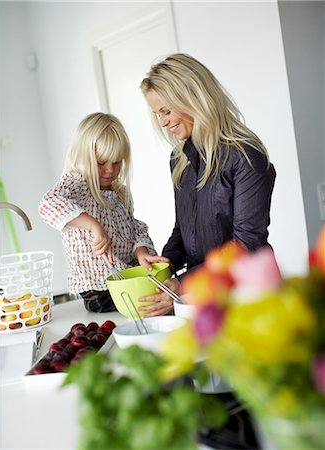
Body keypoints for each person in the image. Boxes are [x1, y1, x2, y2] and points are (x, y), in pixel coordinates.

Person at [138, 53, 276, 317]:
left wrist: (182, 284)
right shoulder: (179, 160)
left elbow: (246, 245)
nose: (163, 122)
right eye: (158, 114)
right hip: (197, 297)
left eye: (167, 111)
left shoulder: (246, 156)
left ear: (194, 98)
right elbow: (183, 228)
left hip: (245, 295)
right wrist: (164, 266)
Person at [39, 112, 168, 313]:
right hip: (99, 291)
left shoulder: (120, 192)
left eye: (116, 162)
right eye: (101, 162)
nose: (110, 170)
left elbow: (135, 228)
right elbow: (48, 204)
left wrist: (140, 251)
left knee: (167, 293)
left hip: (127, 277)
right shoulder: (76, 184)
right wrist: (93, 225)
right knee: (154, 304)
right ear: (84, 157)